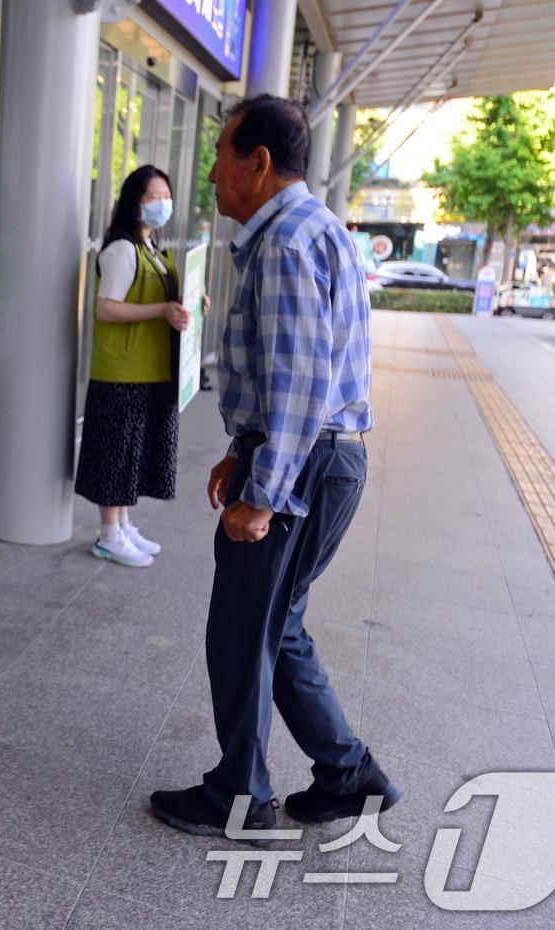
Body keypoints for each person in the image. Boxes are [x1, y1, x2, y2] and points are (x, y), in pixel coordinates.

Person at [150, 95, 400, 838]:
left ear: (257, 164)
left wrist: (265, 492)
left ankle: (240, 795)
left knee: (242, 629)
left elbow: (299, 385)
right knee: (275, 625)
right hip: (320, 459)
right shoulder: (309, 230)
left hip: (307, 463)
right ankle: (349, 773)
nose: (212, 174)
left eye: (222, 156)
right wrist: (241, 450)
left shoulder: (288, 242)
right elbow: (291, 376)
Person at [74, 166, 192, 568]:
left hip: (147, 368)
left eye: (165, 195)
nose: (162, 204)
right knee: (116, 454)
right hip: (122, 371)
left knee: (131, 453)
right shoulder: (123, 249)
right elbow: (106, 307)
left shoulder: (153, 249)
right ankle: (108, 534)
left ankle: (122, 525)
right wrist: (162, 309)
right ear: (133, 202)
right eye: (152, 197)